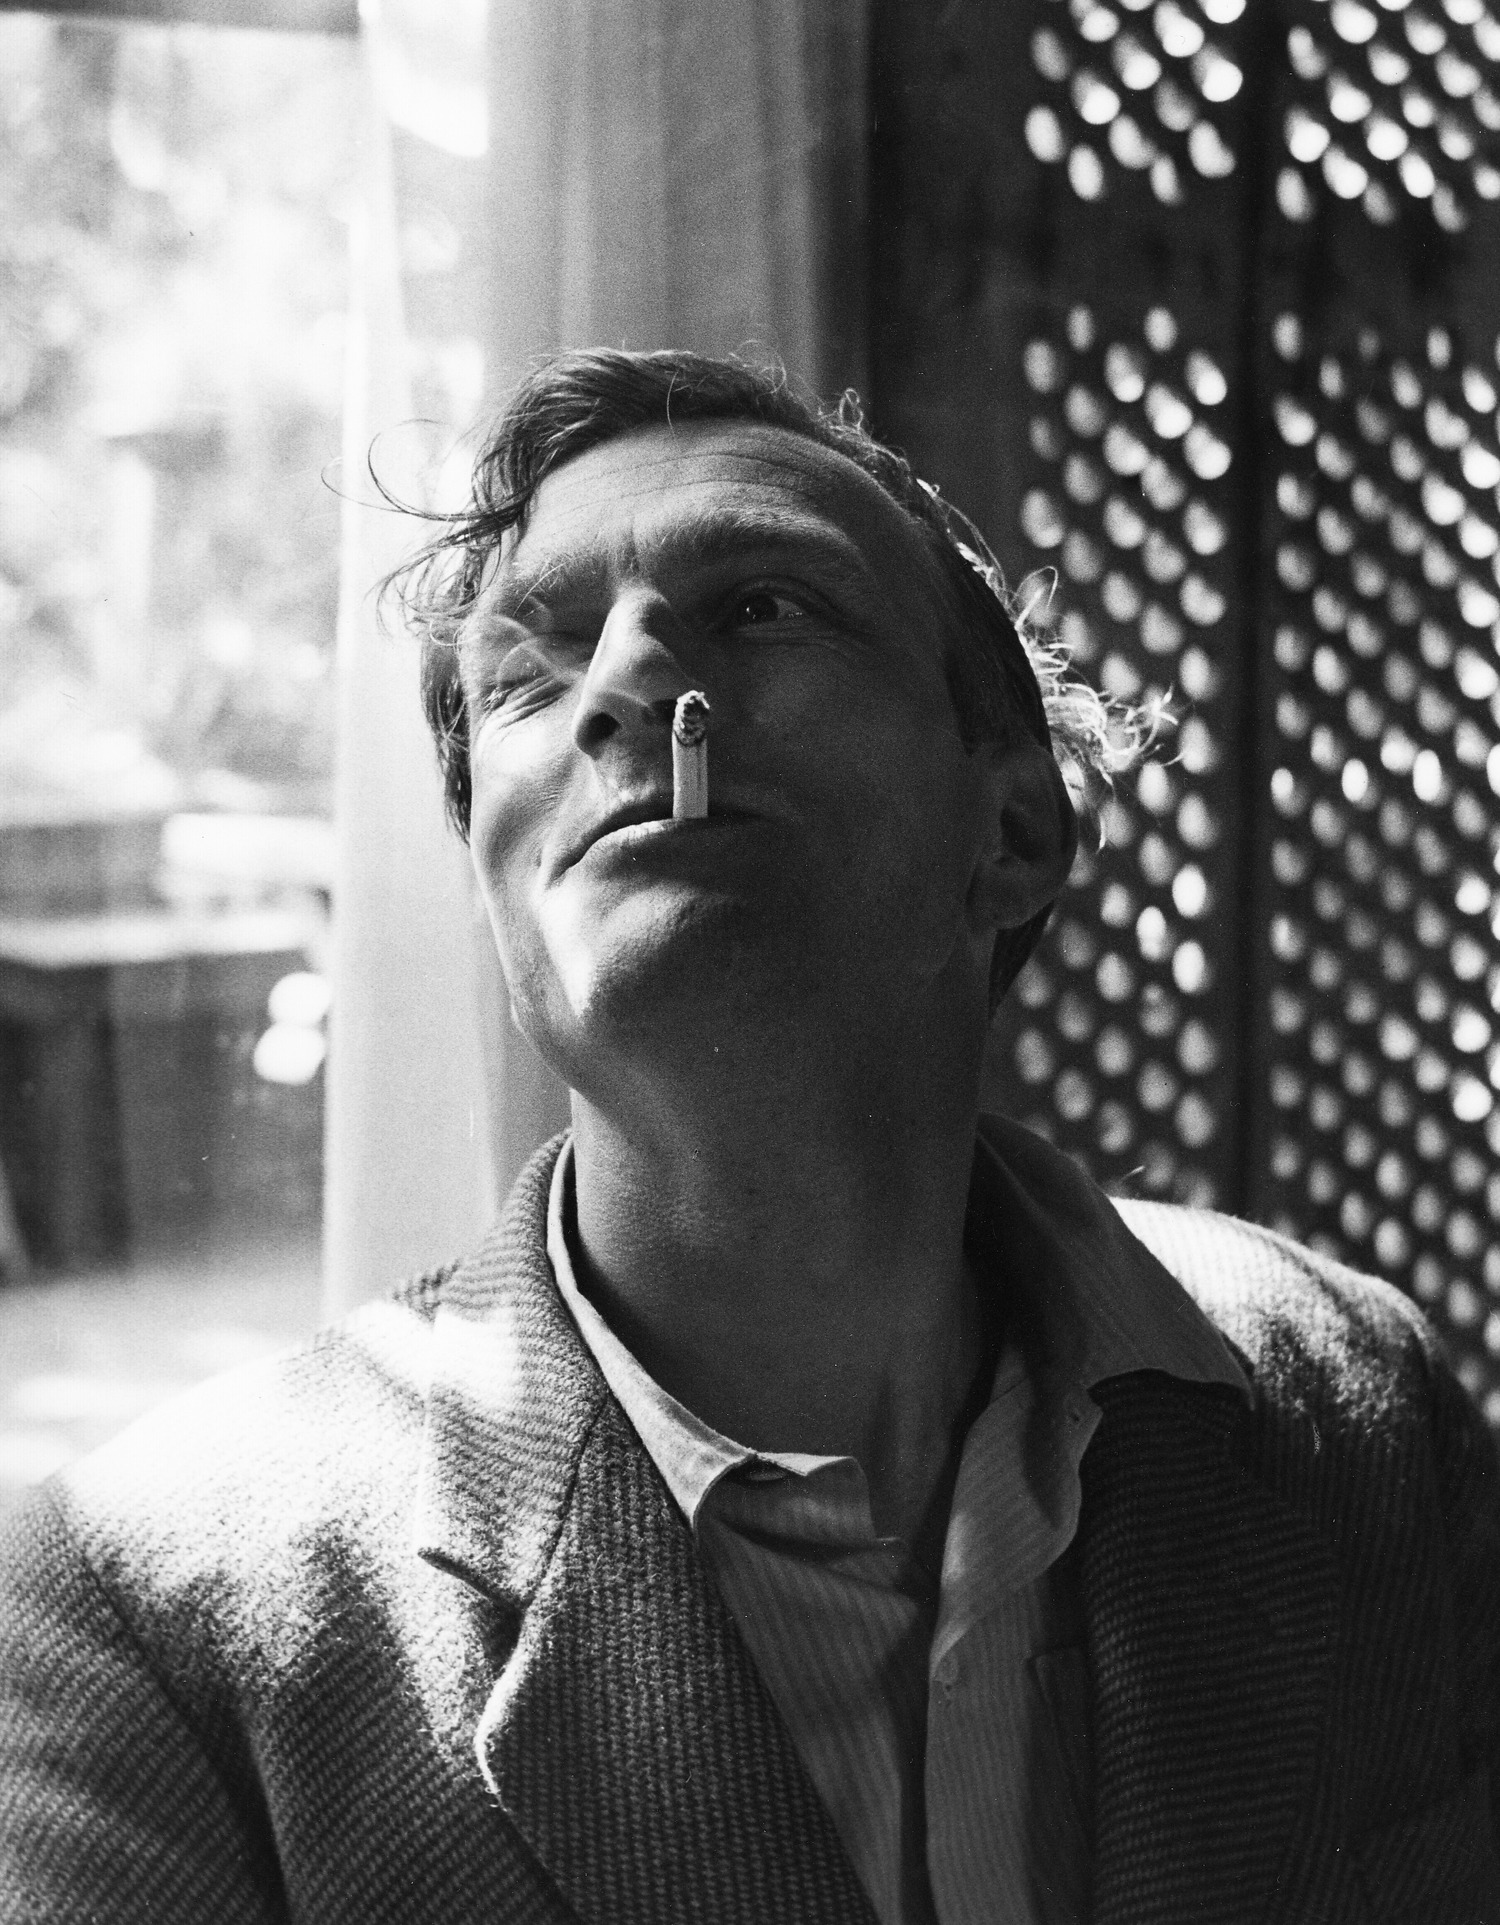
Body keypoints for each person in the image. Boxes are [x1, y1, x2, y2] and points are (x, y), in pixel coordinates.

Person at [3, 348, 1499, 1925]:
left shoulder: (1363, 1402)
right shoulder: (143, 1625)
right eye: (530, 668)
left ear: (1014, 829)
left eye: (766, 606)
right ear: (496, 880)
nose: (626, 687)